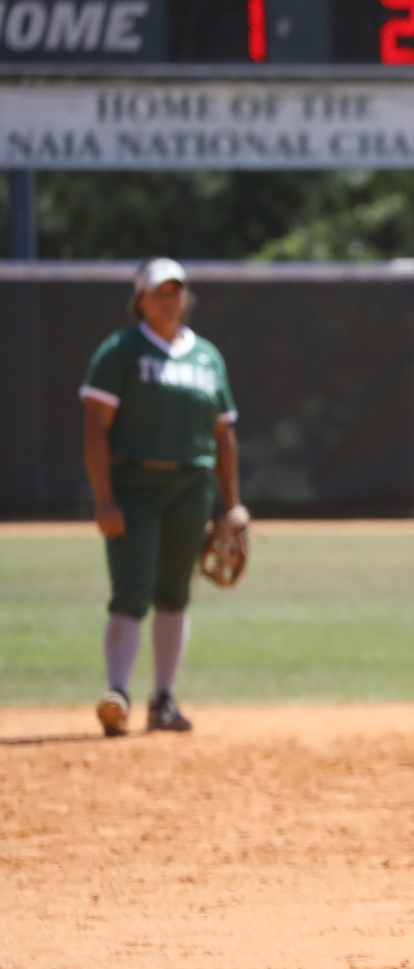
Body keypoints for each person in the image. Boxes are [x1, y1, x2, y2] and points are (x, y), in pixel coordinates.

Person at [78, 258, 249, 738]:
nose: (170, 299)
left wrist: (230, 504)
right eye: (159, 291)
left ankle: (164, 700)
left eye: (177, 291)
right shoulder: (121, 351)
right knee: (132, 591)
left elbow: (223, 435)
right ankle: (118, 694)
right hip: (135, 485)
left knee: (175, 592)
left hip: (192, 486)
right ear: (140, 300)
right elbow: (95, 427)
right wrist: (104, 498)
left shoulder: (206, 357)